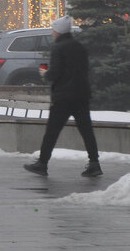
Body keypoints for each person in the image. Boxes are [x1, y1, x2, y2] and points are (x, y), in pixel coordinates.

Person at [24, 15, 102, 177]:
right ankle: (94, 163)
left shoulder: (58, 48)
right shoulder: (80, 47)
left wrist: (46, 74)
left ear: (58, 32)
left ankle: (42, 163)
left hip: (63, 96)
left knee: (52, 131)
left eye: (54, 29)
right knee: (86, 130)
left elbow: (56, 73)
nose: (52, 32)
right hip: (81, 95)